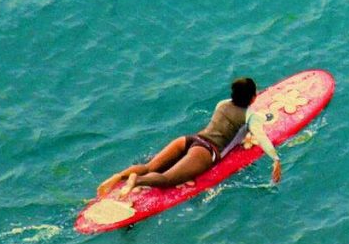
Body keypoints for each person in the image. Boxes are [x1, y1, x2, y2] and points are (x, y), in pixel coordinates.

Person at [97, 76, 283, 196]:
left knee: (149, 166)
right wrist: (275, 159)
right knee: (167, 180)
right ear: (252, 98)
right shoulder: (251, 116)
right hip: (206, 151)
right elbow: (262, 138)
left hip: (189, 140)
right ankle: (135, 181)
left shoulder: (222, 104)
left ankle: (120, 176)